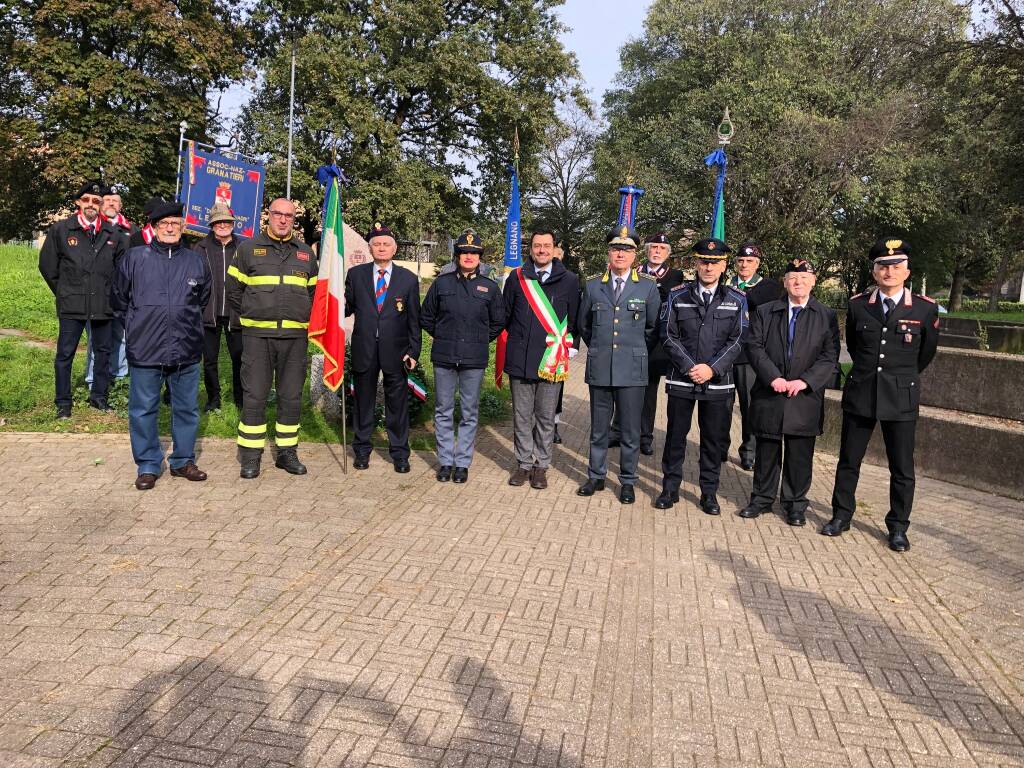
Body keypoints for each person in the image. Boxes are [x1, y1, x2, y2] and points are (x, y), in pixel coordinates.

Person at [823, 238, 940, 552]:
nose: (889, 271)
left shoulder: (925, 309)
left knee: (901, 467)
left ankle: (898, 527)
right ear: (874, 272)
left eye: (895, 266)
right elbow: (857, 348)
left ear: (907, 271)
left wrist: (900, 377)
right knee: (849, 461)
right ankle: (841, 515)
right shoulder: (859, 304)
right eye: (882, 266)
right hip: (862, 393)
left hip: (900, 397)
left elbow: (925, 354)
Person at [111, 201, 211, 490]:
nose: (170, 228)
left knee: (187, 409)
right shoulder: (134, 258)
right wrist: (138, 324)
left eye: (175, 223)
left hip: (187, 349)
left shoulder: (195, 261)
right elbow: (119, 299)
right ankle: (148, 465)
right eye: (164, 223)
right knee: (143, 409)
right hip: (146, 349)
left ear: (182, 227)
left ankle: (182, 461)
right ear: (153, 228)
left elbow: (201, 300)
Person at [739, 258, 840, 525]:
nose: (798, 283)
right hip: (771, 391)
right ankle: (761, 499)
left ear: (813, 281)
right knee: (767, 449)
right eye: (792, 278)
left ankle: (795, 504)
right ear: (784, 282)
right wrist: (773, 377)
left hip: (804, 395)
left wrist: (805, 381)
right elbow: (754, 346)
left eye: (804, 278)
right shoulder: (765, 311)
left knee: (799, 454)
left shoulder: (826, 315)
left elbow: (830, 356)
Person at [227, 198, 318, 479]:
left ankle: (286, 453)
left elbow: (314, 296)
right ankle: (251, 456)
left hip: (294, 338)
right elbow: (234, 291)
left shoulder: (305, 254)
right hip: (257, 337)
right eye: (278, 214)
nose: (282, 220)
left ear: (294, 220)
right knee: (254, 396)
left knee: (291, 397)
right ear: (268, 216)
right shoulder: (247, 250)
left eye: (288, 216)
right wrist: (255, 317)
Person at [655, 237, 747, 512]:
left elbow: (739, 339)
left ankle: (709, 493)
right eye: (704, 262)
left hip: (717, 382)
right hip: (682, 378)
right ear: (695, 263)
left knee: (712, 440)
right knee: (675, 437)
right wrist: (689, 367)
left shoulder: (737, 299)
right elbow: (667, 335)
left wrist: (712, 369)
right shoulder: (677, 295)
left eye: (715, 263)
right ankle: (669, 488)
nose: (708, 267)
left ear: (724, 265)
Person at [576, 226, 660, 504]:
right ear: (609, 253)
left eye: (626, 250)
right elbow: (584, 326)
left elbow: (652, 329)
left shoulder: (647, 286)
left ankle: (627, 480)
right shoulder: (592, 285)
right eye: (615, 249)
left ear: (635, 255)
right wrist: (602, 351)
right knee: (599, 428)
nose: (620, 254)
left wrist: (633, 353)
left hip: (632, 370)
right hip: (601, 367)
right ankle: (596, 476)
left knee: (630, 430)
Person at [421, 230, 505, 483]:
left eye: (474, 253)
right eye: (464, 252)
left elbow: (498, 322)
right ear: (457, 255)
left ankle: (463, 463)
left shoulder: (490, 288)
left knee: (469, 412)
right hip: (444, 356)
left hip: (474, 359)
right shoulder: (442, 284)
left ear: (480, 258)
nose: (469, 256)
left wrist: (479, 340)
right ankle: (446, 461)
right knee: (443, 410)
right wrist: (444, 336)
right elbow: (426, 317)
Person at [38, 180, 126, 418]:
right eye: (86, 200)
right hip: (72, 304)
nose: (91, 204)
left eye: (96, 201)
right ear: (78, 202)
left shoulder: (113, 233)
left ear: (101, 204)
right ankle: (63, 403)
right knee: (65, 354)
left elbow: (121, 271)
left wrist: (112, 295)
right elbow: (48, 266)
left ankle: (99, 397)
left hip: (103, 304)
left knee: (103, 352)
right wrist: (65, 291)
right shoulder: (62, 229)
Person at [501, 228, 580, 490]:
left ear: (555, 249)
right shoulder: (517, 278)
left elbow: (576, 320)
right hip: (521, 358)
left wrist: (570, 350)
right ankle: (524, 464)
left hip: (551, 362)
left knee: (546, 417)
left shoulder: (569, 280)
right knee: (522, 416)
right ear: (531, 249)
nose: (542, 250)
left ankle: (541, 465)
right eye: (537, 246)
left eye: (547, 246)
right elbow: (506, 315)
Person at [344, 222, 422, 472]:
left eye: (386, 244)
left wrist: (414, 351)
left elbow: (414, 320)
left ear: (394, 248)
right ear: (370, 248)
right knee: (363, 403)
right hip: (364, 349)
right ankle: (362, 450)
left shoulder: (408, 279)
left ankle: (399, 453)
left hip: (396, 353)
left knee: (397, 405)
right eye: (376, 244)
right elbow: (346, 309)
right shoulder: (356, 275)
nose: (381, 248)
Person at [725, 241, 783, 469]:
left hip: (748, 356)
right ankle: (719, 446)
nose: (744, 265)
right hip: (724, 354)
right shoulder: (725, 282)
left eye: (749, 261)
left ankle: (748, 451)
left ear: (757, 264)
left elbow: (755, 301)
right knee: (721, 406)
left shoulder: (767, 286)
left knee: (749, 406)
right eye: (740, 261)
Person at [84, 186, 136, 390]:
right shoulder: (91, 228)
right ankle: (93, 381)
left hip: (123, 295)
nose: (112, 204)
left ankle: (119, 378)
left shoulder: (132, 230)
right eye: (107, 200)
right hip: (97, 295)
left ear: (121, 206)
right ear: (100, 204)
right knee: (95, 341)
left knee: (122, 338)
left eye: (116, 201)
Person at [194, 203, 243, 411]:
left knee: (240, 359)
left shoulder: (243, 248)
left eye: (226, 221)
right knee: (210, 361)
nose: (223, 225)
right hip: (209, 312)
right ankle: (214, 400)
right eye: (218, 222)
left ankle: (241, 400)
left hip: (236, 313)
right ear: (212, 225)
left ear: (232, 224)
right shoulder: (200, 248)